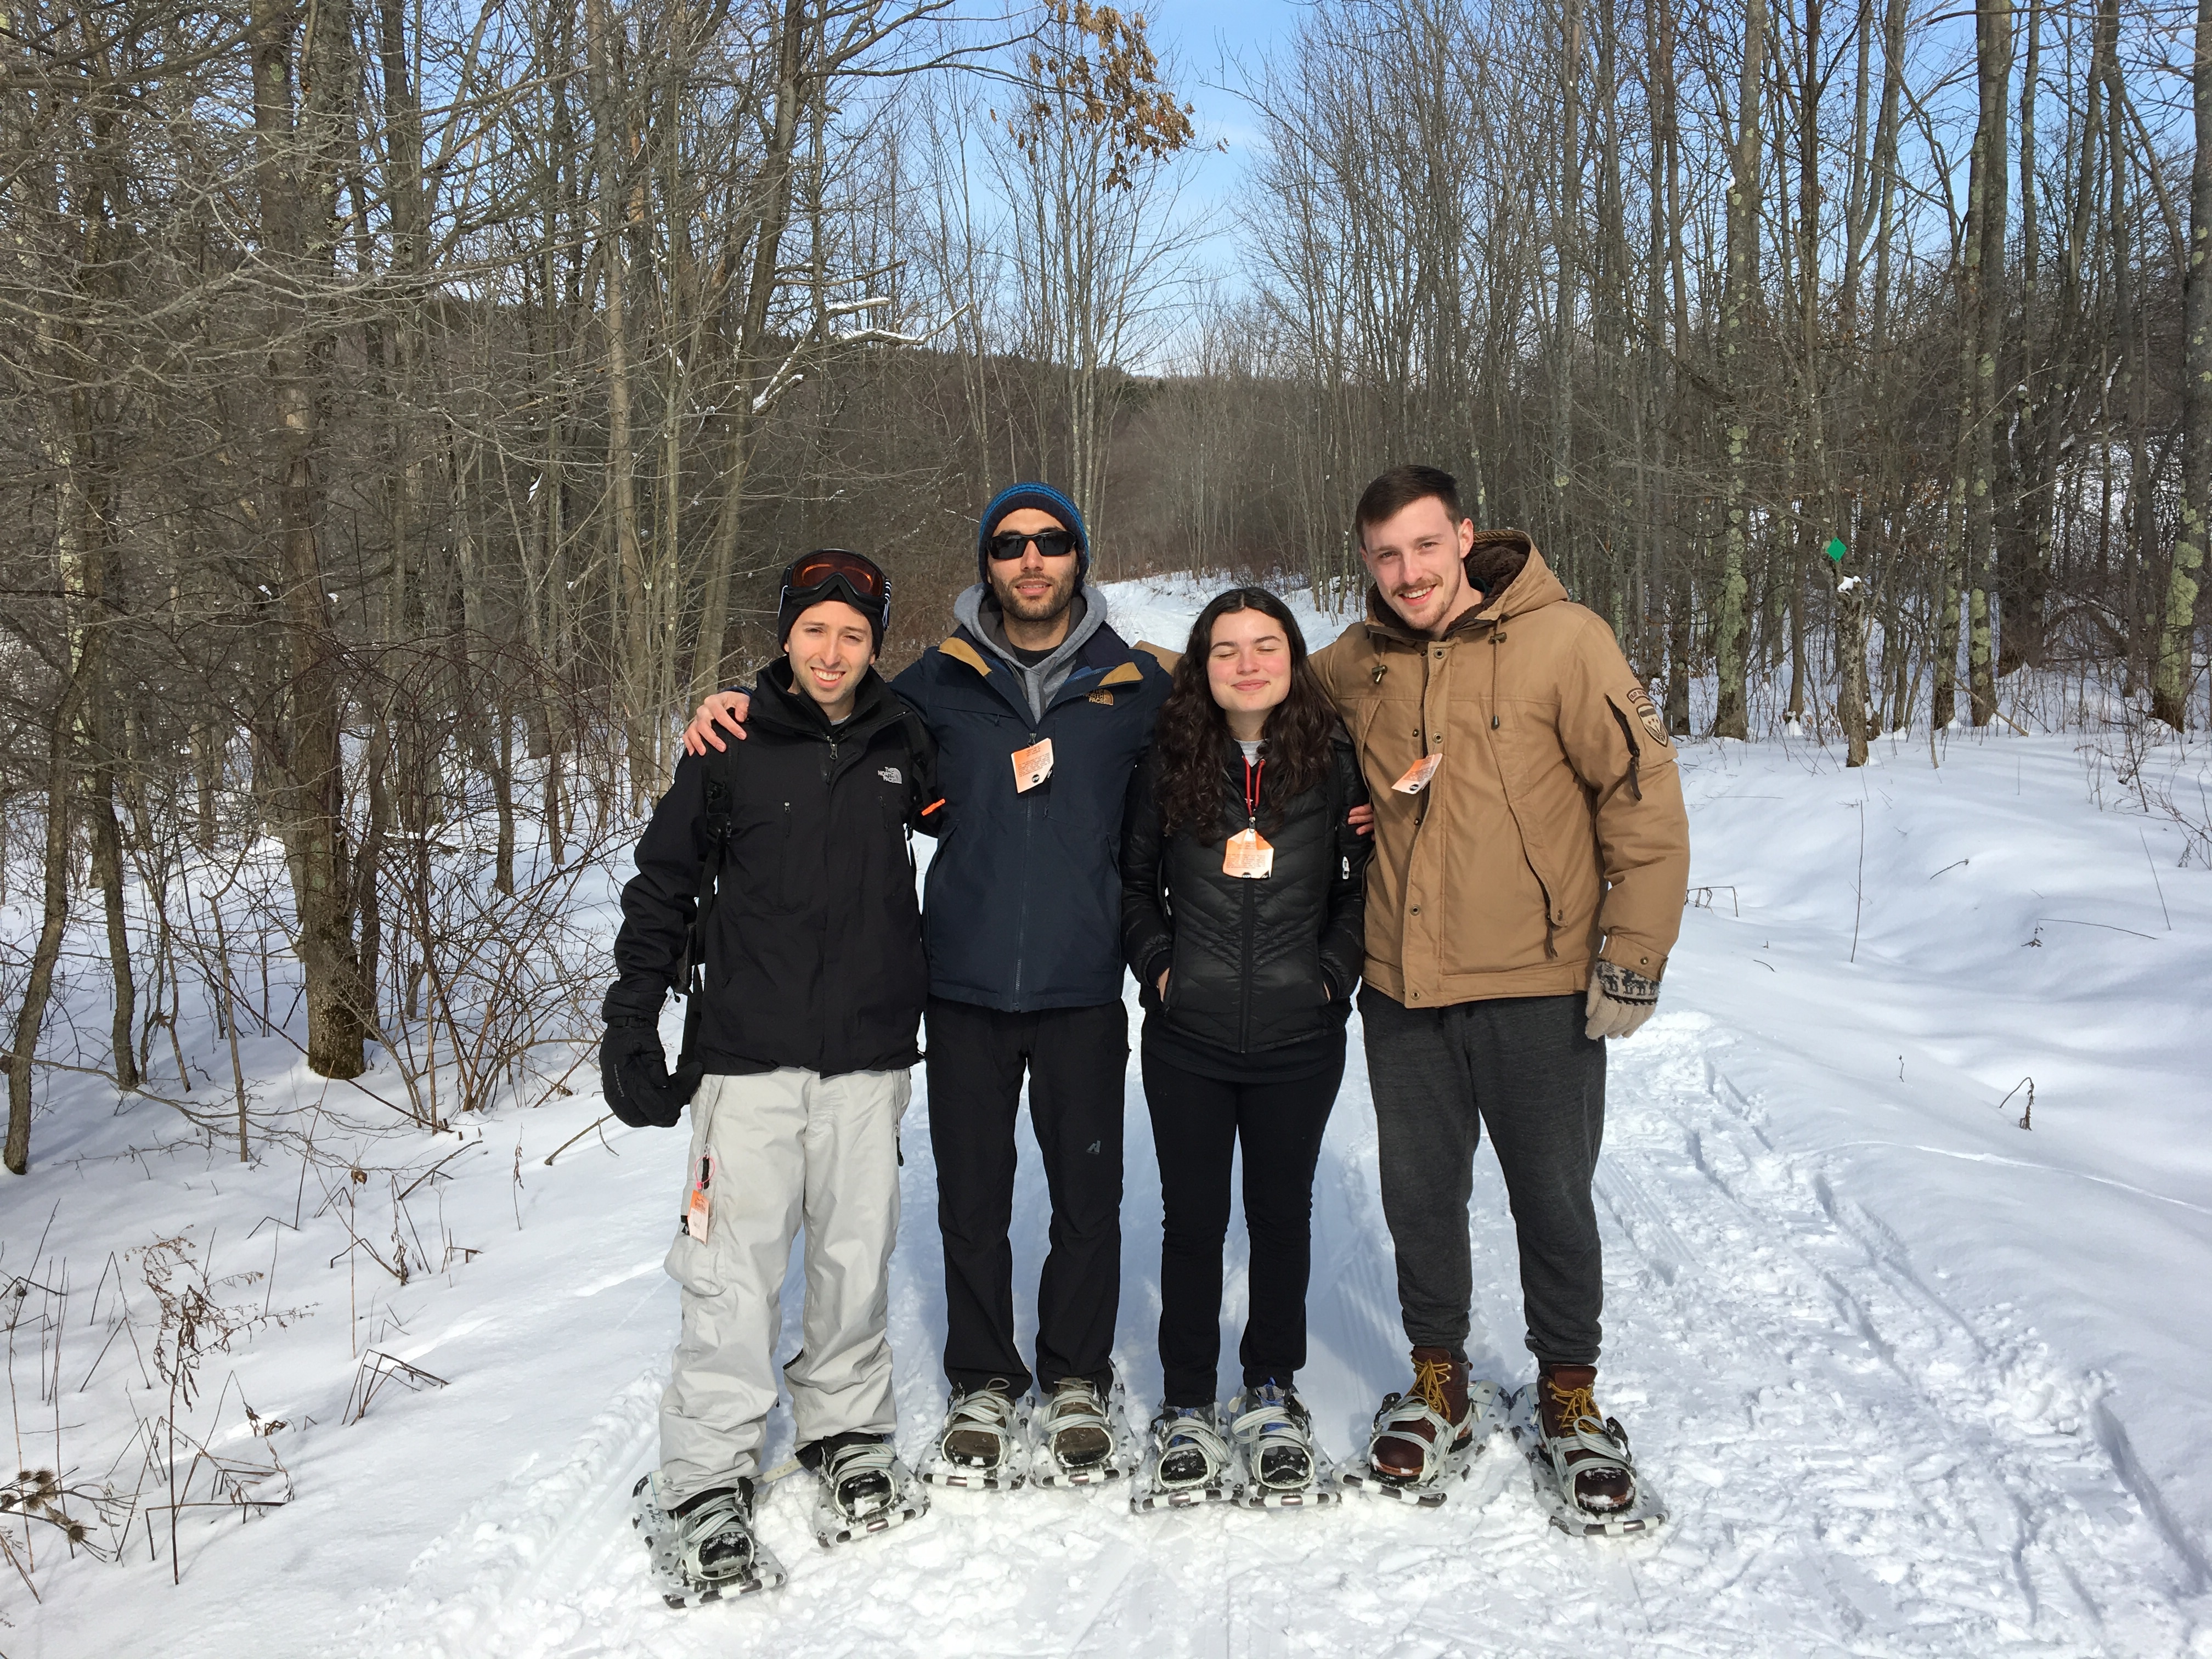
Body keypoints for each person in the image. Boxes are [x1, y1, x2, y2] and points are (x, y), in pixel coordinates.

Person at [680, 484, 1175, 1486]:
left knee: (1089, 1194)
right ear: (985, 564)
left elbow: (1255, 716)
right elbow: (824, 706)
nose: (1030, 560)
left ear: (1079, 556)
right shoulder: (930, 688)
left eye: (1049, 543)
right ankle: (986, 1378)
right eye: (1009, 545)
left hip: (1083, 983)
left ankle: (1077, 1378)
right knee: (972, 1200)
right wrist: (730, 703)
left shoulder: (1141, 684)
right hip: (962, 985)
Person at [1311, 466, 1690, 1528]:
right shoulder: (1362, 661)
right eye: (1384, 557)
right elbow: (1249, 686)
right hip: (1404, 988)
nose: (1407, 573)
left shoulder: (1564, 640)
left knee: (1553, 1199)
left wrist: (1633, 953)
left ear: (1465, 539)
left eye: (1424, 548)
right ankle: (1440, 1381)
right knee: (1420, 1195)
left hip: (1540, 982)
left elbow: (1643, 801)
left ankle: (1570, 1397)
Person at [603, 550, 938, 1600]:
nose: (832, 652)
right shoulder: (732, 742)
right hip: (747, 1058)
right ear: (785, 633)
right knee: (732, 1273)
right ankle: (703, 1477)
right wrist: (632, 1019)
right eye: (814, 630)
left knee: (852, 1255)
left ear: (875, 642)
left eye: (852, 634)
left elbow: (993, 793)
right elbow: (662, 887)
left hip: (869, 1057)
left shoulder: (904, 737)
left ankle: (844, 1430)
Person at [1118, 588, 1369, 1509]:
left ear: (1293, 658)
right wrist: (1161, 970)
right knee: (1193, 1224)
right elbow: (1132, 881)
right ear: (1202, 665)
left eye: (1267, 646)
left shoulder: (1333, 759)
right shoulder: (1171, 755)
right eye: (1227, 650)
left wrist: (1331, 976)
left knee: (1281, 1215)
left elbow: (1365, 886)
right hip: (1189, 1037)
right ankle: (1187, 1399)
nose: (1248, 664)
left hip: (1301, 1037)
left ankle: (1270, 1387)